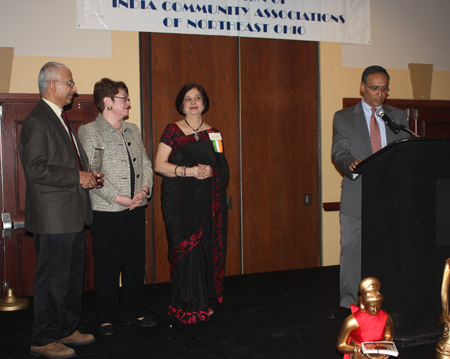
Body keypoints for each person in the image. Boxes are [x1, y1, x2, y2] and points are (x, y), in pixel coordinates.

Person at [19, 62, 99, 359]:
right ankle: (44, 337)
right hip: (53, 219)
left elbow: (66, 165)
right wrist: (76, 176)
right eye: (70, 82)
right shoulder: (38, 120)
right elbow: (35, 169)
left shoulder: (60, 119)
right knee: (52, 280)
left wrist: (87, 176)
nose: (74, 88)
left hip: (72, 215)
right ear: (52, 85)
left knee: (70, 277)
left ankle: (66, 328)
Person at [328, 66, 410, 320]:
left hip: (391, 196)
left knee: (391, 249)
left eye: (384, 88)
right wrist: (350, 163)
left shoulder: (397, 115)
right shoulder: (343, 117)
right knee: (352, 250)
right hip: (357, 191)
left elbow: (404, 151)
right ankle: (349, 305)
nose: (380, 93)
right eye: (375, 88)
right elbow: (338, 151)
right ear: (363, 87)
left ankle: (387, 300)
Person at [78, 78, 154, 335]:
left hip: (135, 207)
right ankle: (106, 318)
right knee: (108, 265)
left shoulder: (132, 129)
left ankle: (135, 312)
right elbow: (93, 173)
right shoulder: (90, 132)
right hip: (107, 211)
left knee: (134, 263)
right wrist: (119, 198)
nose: (128, 103)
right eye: (124, 98)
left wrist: (144, 190)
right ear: (108, 102)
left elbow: (145, 164)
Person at [154, 82, 229, 324]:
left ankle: (200, 303)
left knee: (202, 251)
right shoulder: (172, 131)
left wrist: (211, 172)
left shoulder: (214, 134)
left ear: (204, 103)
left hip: (205, 202)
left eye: (197, 97)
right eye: (188, 98)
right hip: (178, 201)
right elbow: (159, 165)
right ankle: (184, 305)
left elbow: (223, 169)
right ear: (182, 105)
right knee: (184, 252)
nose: (193, 101)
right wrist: (188, 171)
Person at [336, 277, 394, 359]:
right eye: (371, 307)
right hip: (359, 354)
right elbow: (340, 346)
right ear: (363, 304)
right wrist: (360, 350)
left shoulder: (385, 316)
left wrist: (383, 347)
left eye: (378, 306)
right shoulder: (352, 321)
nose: (375, 310)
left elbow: (389, 334)